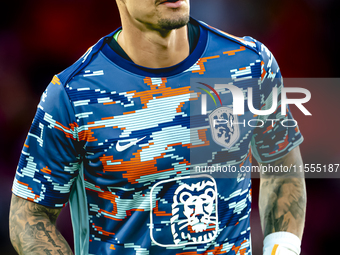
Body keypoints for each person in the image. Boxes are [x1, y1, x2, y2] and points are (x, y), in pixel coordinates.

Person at [9, 0, 306, 254]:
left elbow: (282, 170)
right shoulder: (73, 94)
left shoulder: (249, 64)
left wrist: (283, 247)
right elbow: (29, 213)